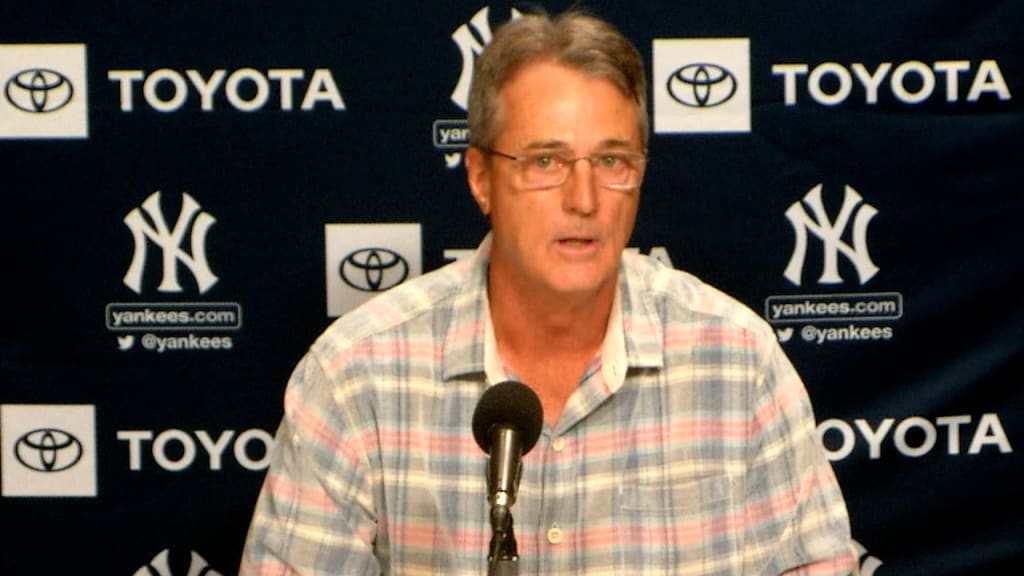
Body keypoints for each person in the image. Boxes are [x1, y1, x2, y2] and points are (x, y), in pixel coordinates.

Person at [240, 8, 859, 575]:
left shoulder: (738, 365)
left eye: (612, 162)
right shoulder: (357, 377)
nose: (583, 200)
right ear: (481, 178)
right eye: (546, 163)